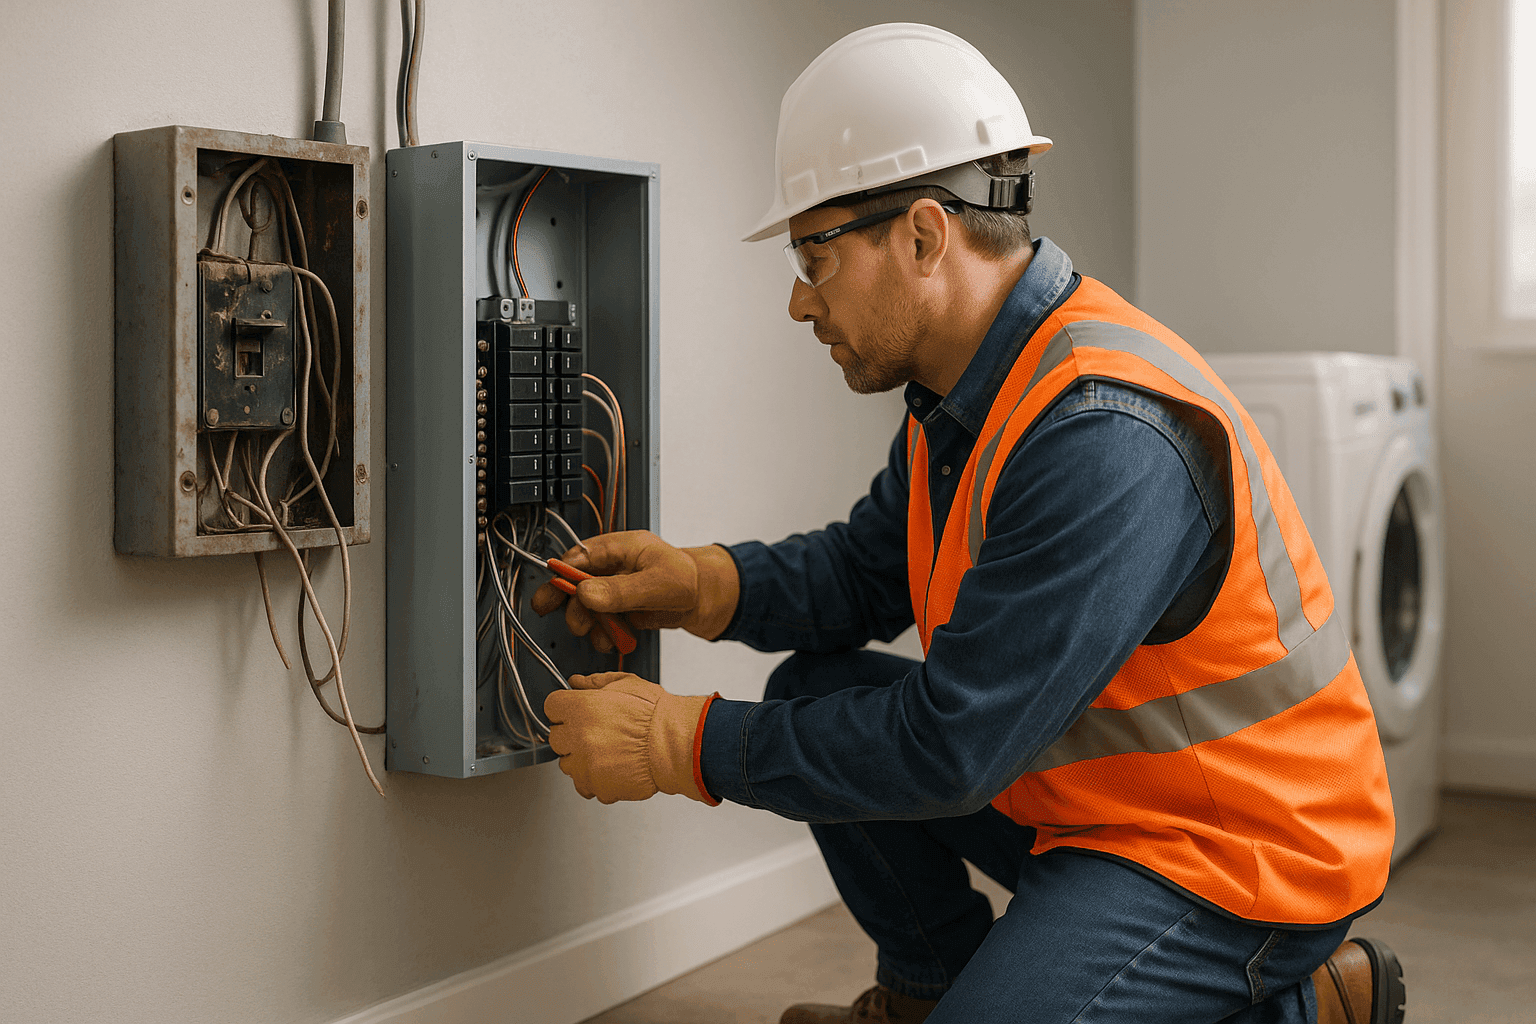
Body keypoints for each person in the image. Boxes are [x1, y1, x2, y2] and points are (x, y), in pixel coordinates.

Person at [537, 23, 1406, 1024]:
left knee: (863, 741)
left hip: (1234, 849)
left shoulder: (1101, 433)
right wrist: (700, 583)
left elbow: (949, 748)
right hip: (1095, 803)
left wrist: (680, 744)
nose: (796, 300)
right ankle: (928, 992)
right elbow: (863, 575)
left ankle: (1302, 1006)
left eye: (814, 256)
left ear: (920, 235)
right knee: (817, 684)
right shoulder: (971, 394)